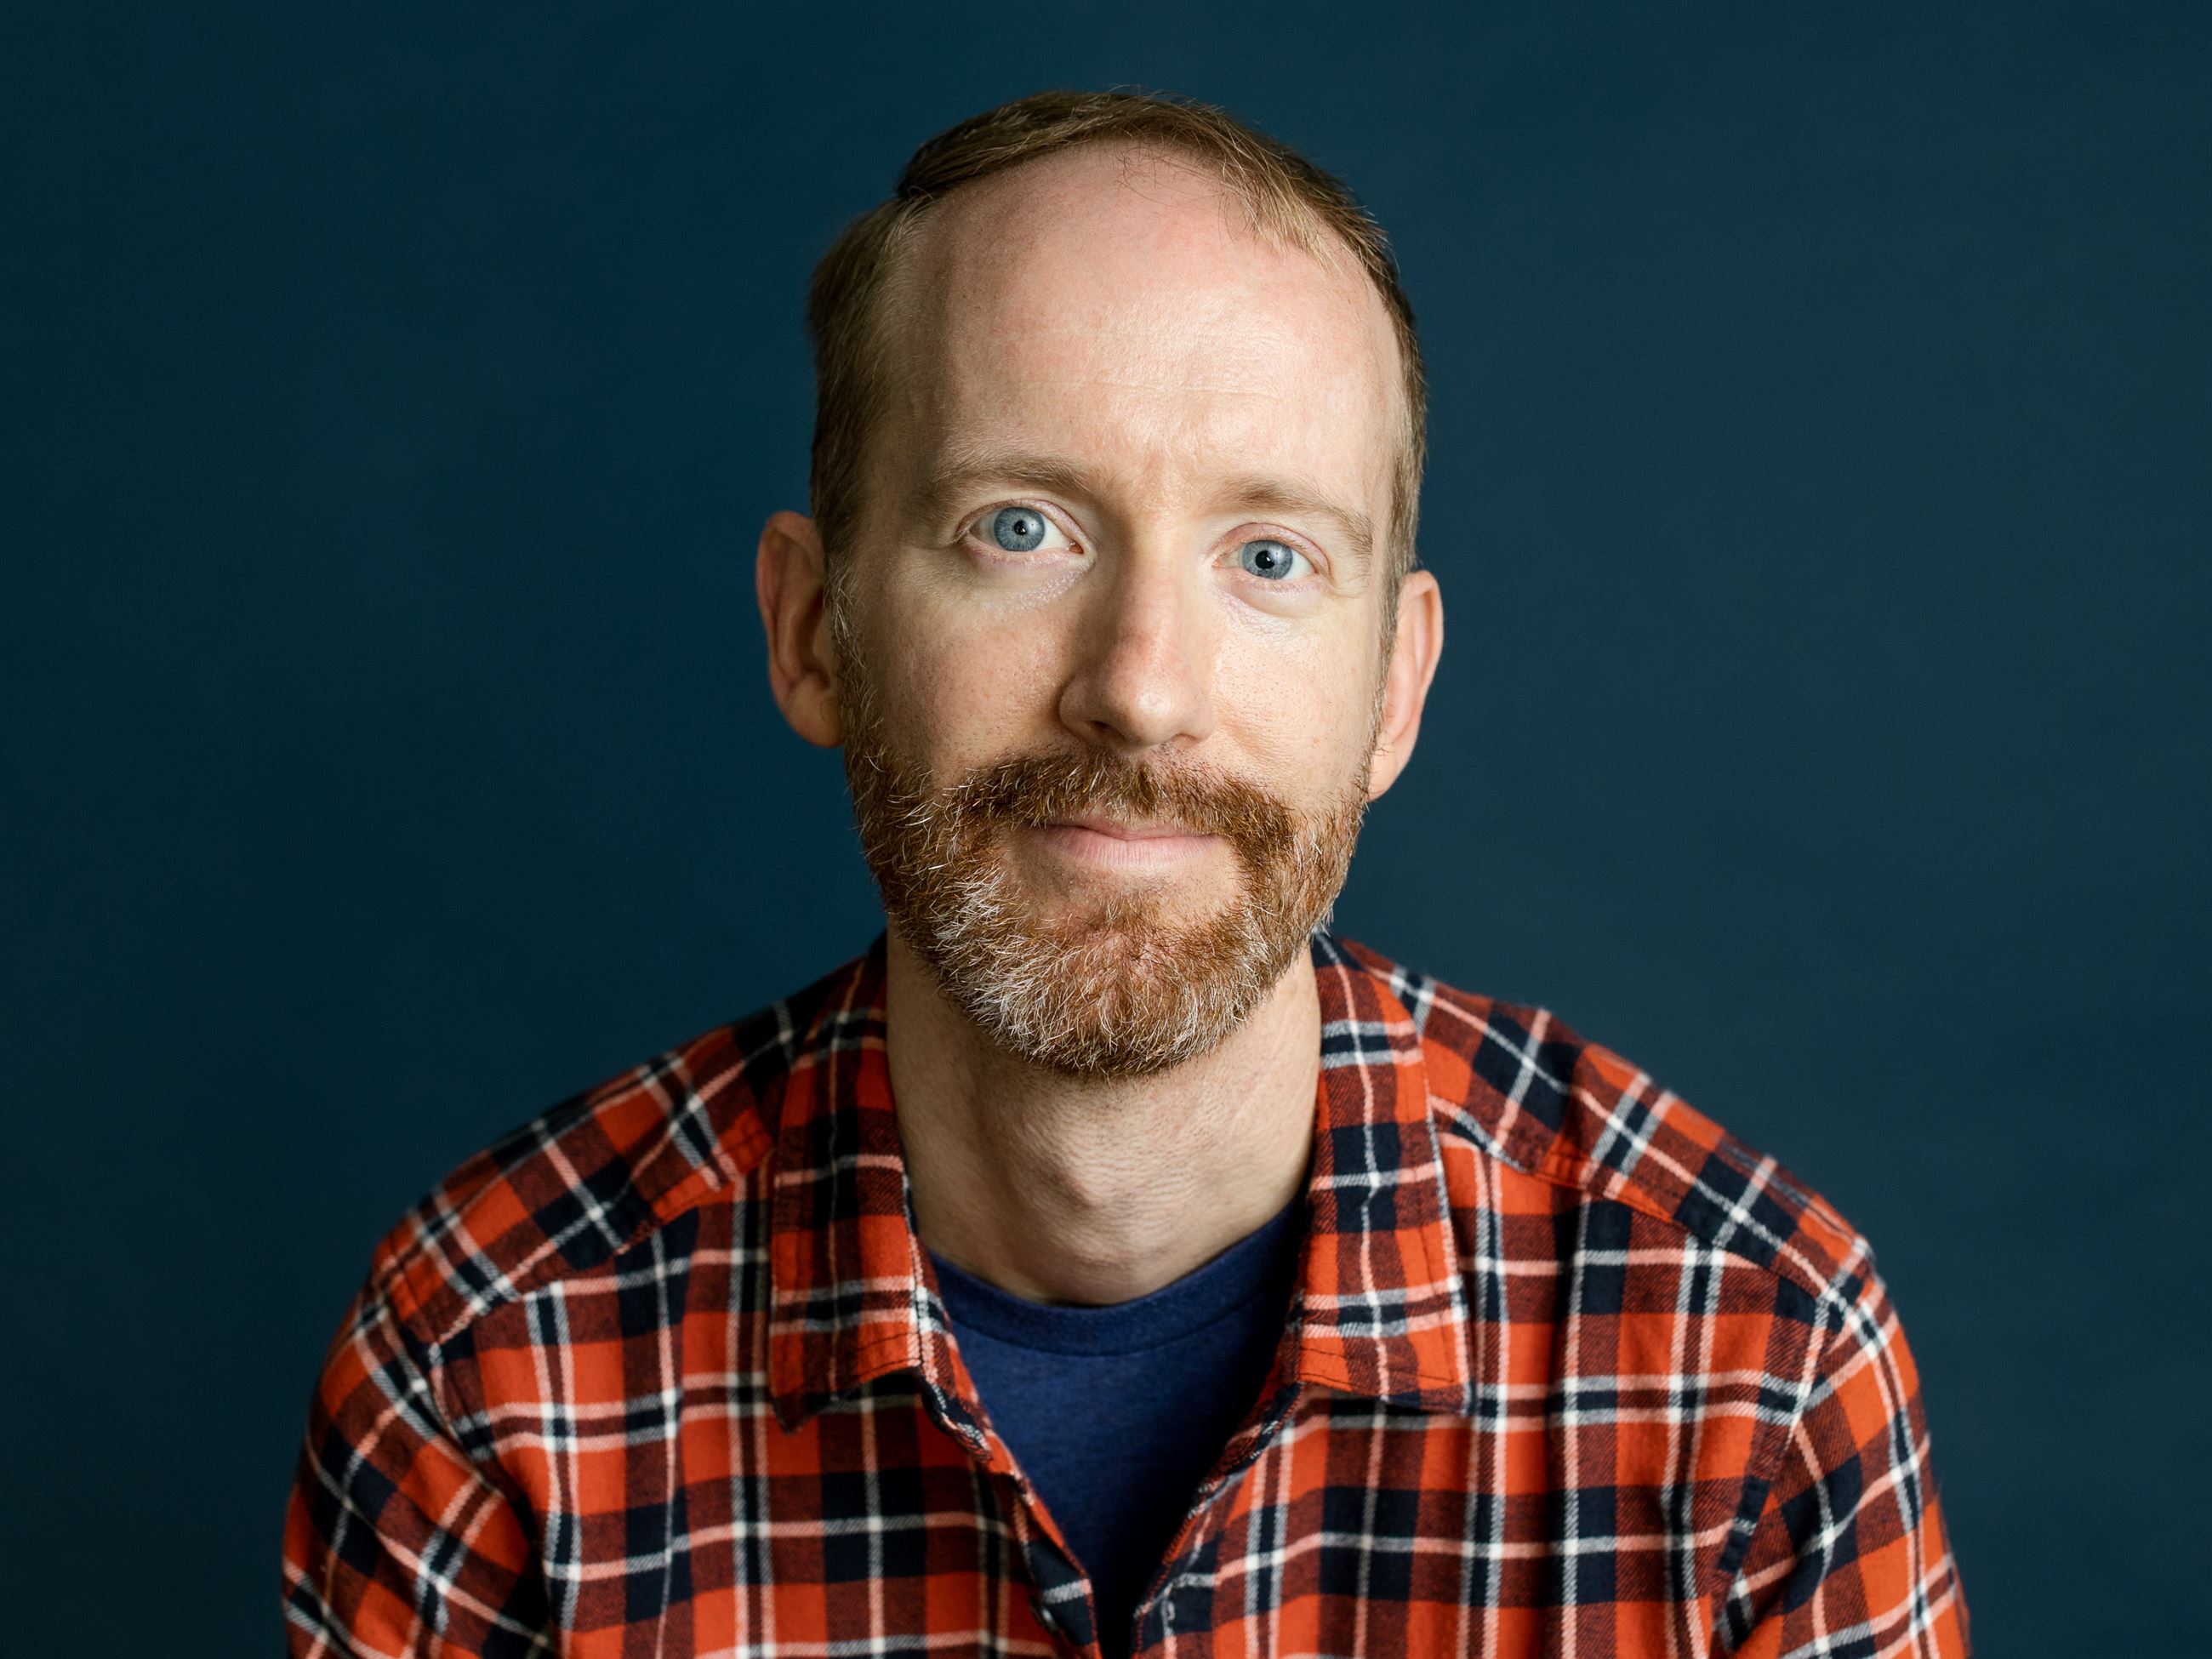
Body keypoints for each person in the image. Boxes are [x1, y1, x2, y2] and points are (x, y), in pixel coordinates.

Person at [282, 89, 1969, 1659]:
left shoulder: (1747, 1366)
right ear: (813, 632)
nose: (1142, 687)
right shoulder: (491, 1365)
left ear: (1393, 688)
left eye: (1268, 555)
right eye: (1020, 528)